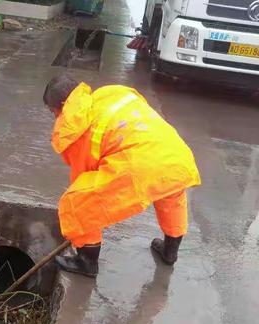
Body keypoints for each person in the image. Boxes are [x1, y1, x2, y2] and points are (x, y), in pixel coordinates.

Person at [43, 75, 201, 277]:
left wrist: (77, 224)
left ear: (63, 104)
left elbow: (83, 175)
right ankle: (170, 252)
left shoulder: (78, 124)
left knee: (78, 201)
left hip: (141, 164)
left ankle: (87, 262)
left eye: (53, 111)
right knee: (171, 196)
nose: (55, 117)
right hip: (176, 155)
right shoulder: (111, 94)